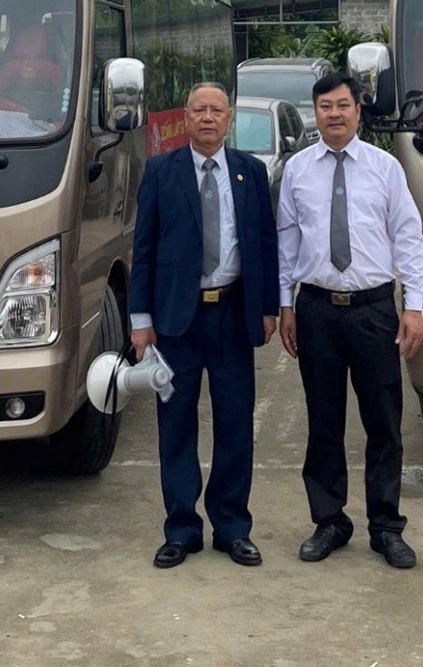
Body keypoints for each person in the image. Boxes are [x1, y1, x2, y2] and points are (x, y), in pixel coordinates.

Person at [278, 71, 423, 570]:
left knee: (383, 422)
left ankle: (386, 527)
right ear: (315, 114)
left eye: (343, 105)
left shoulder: (385, 168)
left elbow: (408, 236)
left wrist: (413, 306)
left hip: (373, 311)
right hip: (317, 310)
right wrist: (285, 305)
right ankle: (329, 522)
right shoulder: (298, 170)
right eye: (325, 107)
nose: (334, 114)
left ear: (358, 112)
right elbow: (287, 243)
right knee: (323, 422)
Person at [130, 81, 280, 569]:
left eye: (217, 110)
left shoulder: (250, 172)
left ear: (229, 118)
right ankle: (181, 529)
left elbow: (264, 243)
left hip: (233, 314)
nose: (209, 117)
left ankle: (233, 528)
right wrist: (140, 320)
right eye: (200, 110)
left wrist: (268, 308)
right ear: (186, 117)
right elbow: (144, 249)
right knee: (176, 425)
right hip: (177, 320)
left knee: (235, 424)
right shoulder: (161, 171)